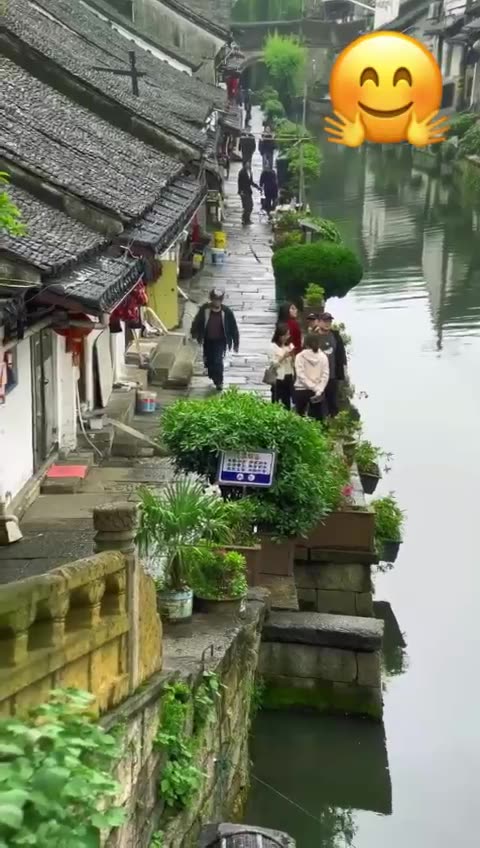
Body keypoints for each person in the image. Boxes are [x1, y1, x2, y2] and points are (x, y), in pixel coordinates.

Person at [191, 288, 239, 391]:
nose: (216, 302)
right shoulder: (205, 309)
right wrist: (194, 333)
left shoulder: (226, 312)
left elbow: (233, 327)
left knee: (218, 360)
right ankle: (212, 374)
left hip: (220, 341)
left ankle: (219, 381)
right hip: (208, 340)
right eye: (215, 299)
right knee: (209, 361)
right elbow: (197, 321)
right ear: (211, 299)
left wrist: (236, 343)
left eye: (219, 299)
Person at [315, 312, 347, 417]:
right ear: (318, 322)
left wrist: (344, 371)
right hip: (317, 376)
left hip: (332, 375)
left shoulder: (336, 336)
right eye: (325, 321)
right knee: (318, 402)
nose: (327, 323)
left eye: (329, 321)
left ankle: (334, 422)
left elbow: (342, 355)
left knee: (333, 402)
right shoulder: (313, 337)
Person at [294, 333, 329, 420]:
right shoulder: (323, 357)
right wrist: (319, 389)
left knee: (299, 418)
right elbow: (325, 375)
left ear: (305, 343)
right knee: (316, 419)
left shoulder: (300, 356)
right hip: (317, 393)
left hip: (301, 390)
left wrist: (312, 387)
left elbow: (300, 375)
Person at [269, 323, 295, 410]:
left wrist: (293, 356)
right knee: (276, 400)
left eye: (288, 334)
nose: (287, 337)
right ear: (279, 336)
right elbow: (273, 364)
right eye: (285, 335)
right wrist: (283, 357)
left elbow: (293, 363)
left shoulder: (289, 346)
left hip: (289, 376)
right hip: (278, 377)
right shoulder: (273, 347)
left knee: (287, 401)